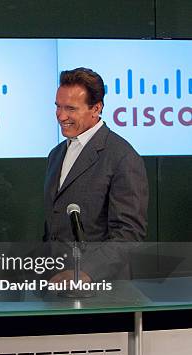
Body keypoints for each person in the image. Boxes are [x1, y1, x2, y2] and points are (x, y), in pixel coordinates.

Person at [44, 67, 148, 283]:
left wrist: (85, 273)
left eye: (70, 109)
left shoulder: (123, 156)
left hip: (101, 292)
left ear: (96, 108)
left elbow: (129, 233)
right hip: (55, 288)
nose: (61, 116)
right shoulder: (56, 154)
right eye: (58, 107)